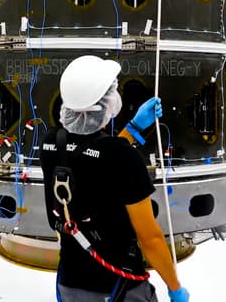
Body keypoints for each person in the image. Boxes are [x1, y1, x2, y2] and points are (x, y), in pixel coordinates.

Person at [40, 55, 189, 302]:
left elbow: (94, 153)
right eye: (113, 91)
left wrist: (133, 128)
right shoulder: (123, 159)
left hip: (70, 283)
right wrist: (175, 289)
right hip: (118, 289)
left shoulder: (51, 143)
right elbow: (150, 239)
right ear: (105, 103)